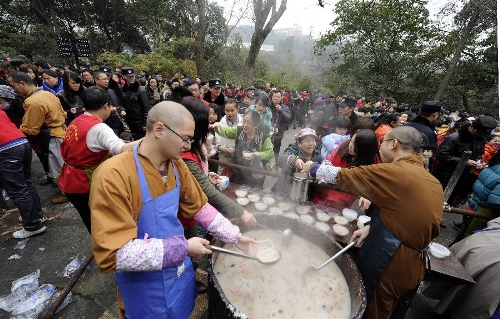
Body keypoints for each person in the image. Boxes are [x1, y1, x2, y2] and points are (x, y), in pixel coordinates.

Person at [90, 101, 256, 318]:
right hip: (143, 286)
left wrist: (234, 237)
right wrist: (183, 248)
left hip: (177, 273)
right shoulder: (113, 175)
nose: (188, 146)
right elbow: (116, 255)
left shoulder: (176, 166)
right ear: (159, 130)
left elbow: (200, 208)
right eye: (185, 139)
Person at [302, 126, 443, 319]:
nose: (379, 147)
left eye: (382, 142)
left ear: (393, 144)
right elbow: (404, 215)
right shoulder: (431, 180)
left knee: (371, 311)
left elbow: (345, 176)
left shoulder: (397, 171)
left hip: (391, 261)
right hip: (412, 264)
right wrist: (371, 227)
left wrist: (312, 167)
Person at [59, 87, 140, 233]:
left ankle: (100, 247)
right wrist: (149, 141)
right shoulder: (99, 128)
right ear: (105, 106)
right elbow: (120, 148)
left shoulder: (78, 119)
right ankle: (109, 250)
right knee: (101, 221)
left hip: (70, 179)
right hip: (84, 183)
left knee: (90, 219)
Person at [8, 71, 69, 204]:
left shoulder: (32, 101)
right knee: (65, 164)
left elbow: (30, 128)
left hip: (52, 137)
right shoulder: (47, 93)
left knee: (58, 167)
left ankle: (67, 192)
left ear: (22, 83)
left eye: (13, 86)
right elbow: (63, 113)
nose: (13, 90)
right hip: (62, 132)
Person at [423, 216, 500, 319]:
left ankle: (444, 310)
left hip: (480, 246)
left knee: (471, 293)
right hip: (483, 253)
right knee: (470, 295)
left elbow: (494, 222)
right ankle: (445, 311)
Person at [0, 85, 46, 239]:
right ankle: (36, 215)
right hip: (21, 142)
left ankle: (33, 225)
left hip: (6, 149)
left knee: (18, 188)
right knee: (27, 182)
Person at [312, 129, 380, 211]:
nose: (350, 145)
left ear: (365, 149)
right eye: (351, 141)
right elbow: (328, 161)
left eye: (356, 145)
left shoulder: (372, 162)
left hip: (342, 200)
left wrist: (366, 195)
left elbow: (369, 184)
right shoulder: (344, 146)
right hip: (323, 191)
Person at [212, 110, 274, 188]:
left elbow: (270, 153)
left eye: (248, 123)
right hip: (237, 172)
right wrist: (218, 126)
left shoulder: (264, 137)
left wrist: (257, 154)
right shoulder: (239, 130)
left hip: (255, 174)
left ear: (256, 125)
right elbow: (226, 132)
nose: (244, 125)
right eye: (244, 121)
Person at [273, 128, 321, 195]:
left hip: (305, 191)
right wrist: (294, 160)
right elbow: (280, 158)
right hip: (285, 188)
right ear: (299, 143)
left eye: (313, 140)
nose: (311, 144)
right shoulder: (293, 149)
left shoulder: (317, 154)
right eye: (307, 141)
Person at [121, 67, 150, 140]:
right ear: (124, 77)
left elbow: (146, 107)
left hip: (139, 122)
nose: (131, 78)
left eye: (133, 76)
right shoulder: (123, 90)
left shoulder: (140, 90)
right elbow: (121, 104)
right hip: (128, 121)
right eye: (129, 77)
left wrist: (145, 123)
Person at [216, 99, 243, 175]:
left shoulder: (243, 121)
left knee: (236, 174)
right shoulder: (221, 122)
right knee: (222, 173)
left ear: (237, 109)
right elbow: (217, 138)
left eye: (232, 110)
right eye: (227, 111)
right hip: (224, 154)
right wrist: (220, 147)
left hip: (238, 154)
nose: (229, 113)